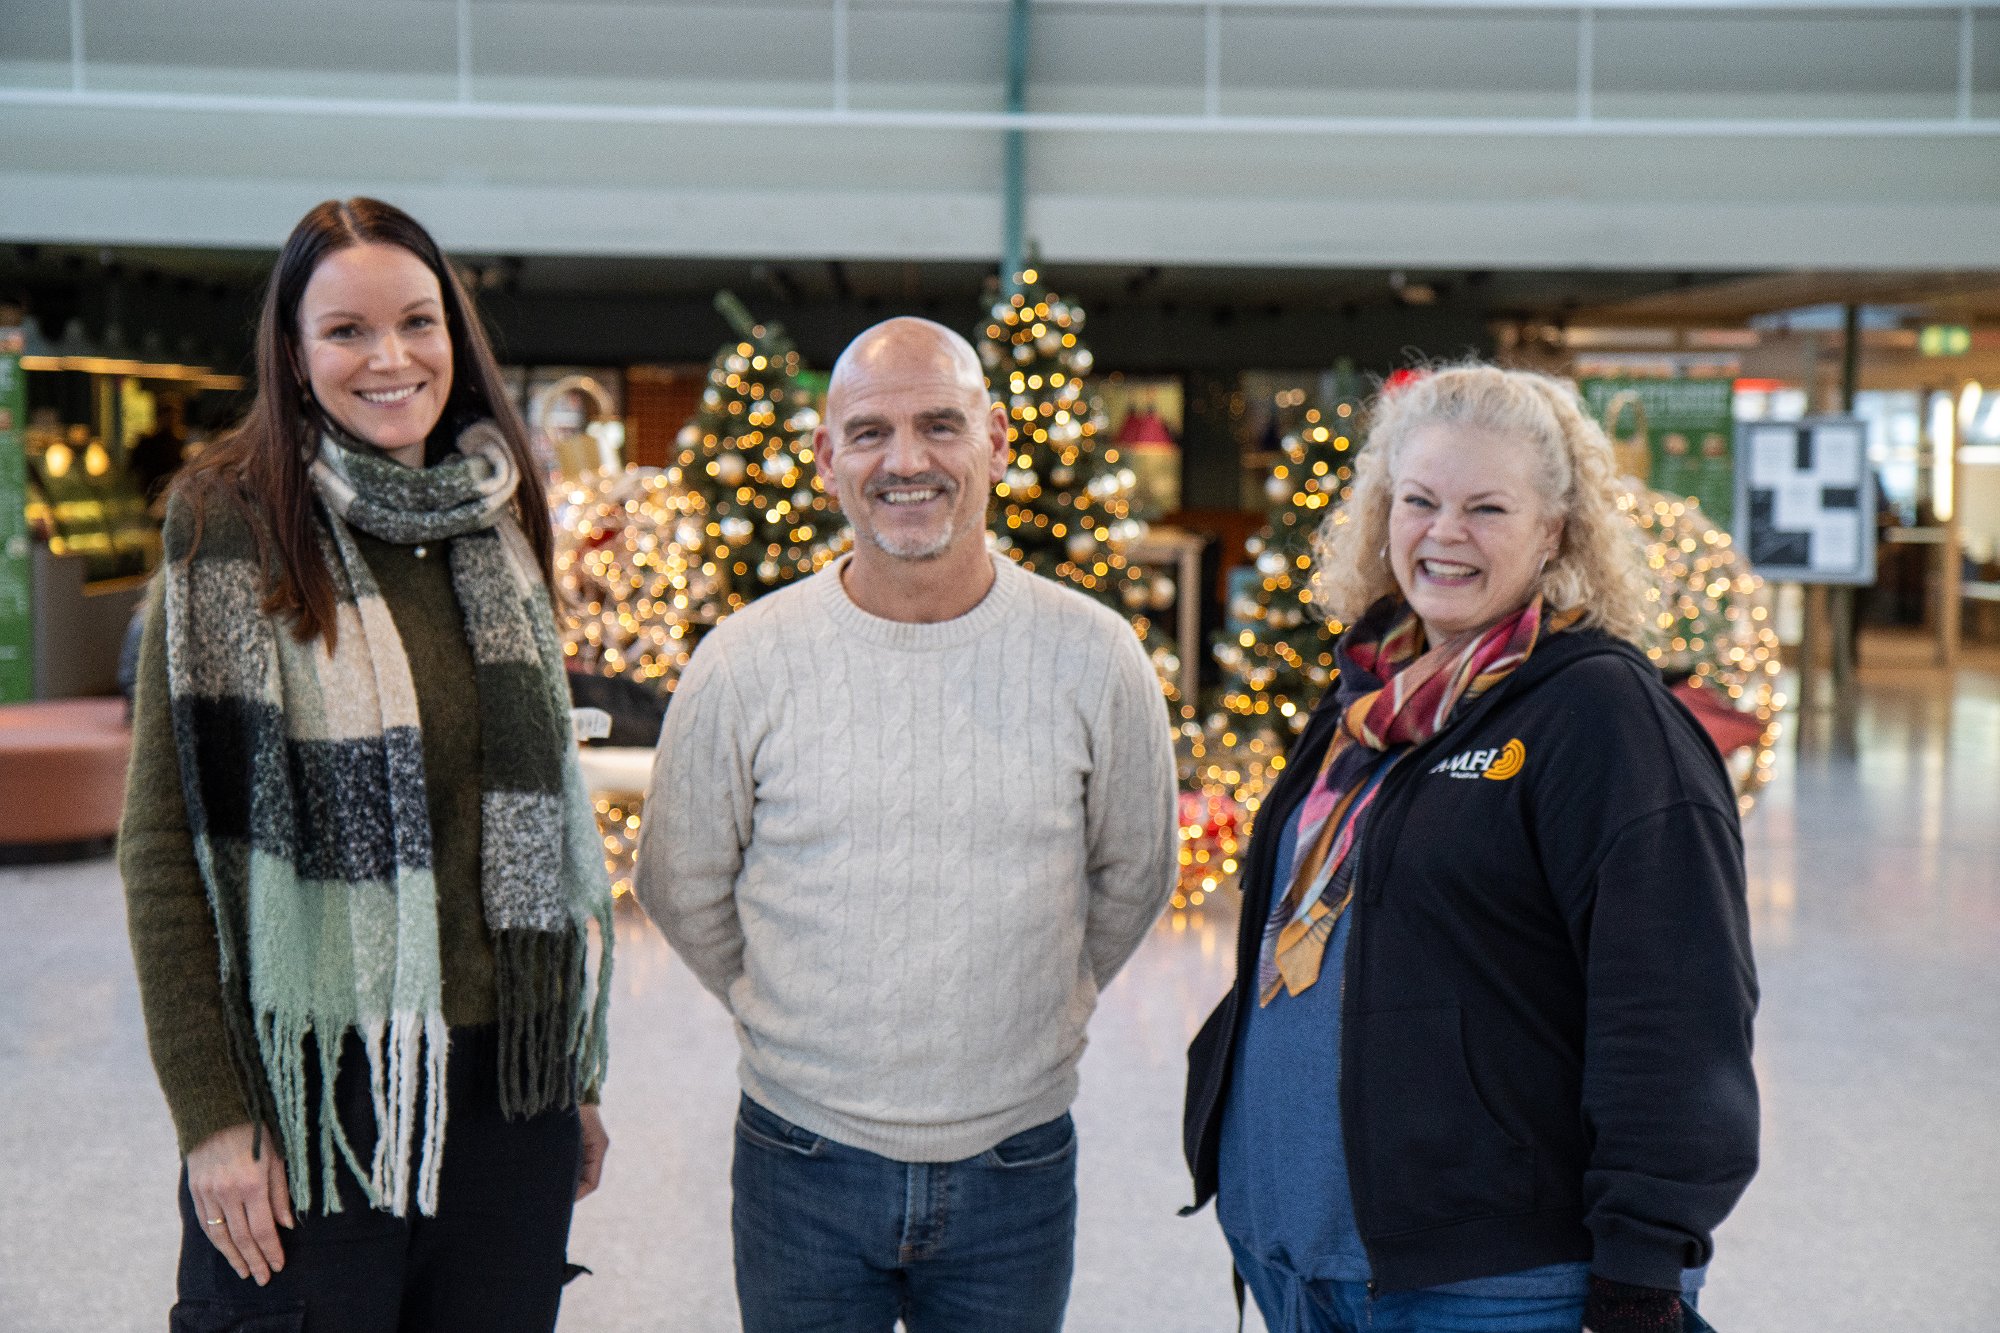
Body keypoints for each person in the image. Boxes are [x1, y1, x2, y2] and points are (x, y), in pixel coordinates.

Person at [119, 197, 614, 1332]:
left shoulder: (494, 519)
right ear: (293, 356)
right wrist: (211, 1115)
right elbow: (167, 848)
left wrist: (565, 1076)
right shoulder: (232, 522)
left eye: (417, 322)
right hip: (319, 1091)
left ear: (456, 337)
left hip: (506, 1094)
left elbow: (536, 819)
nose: (390, 358)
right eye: (345, 330)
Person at [1181, 363, 1758, 1333]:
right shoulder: (1365, 701)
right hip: (1298, 1259)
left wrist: (1641, 1270)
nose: (1442, 534)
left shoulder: (1600, 715)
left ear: (1555, 530)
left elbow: (1674, 1004)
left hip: (1485, 1285)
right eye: (1418, 501)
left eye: (1485, 507)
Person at [635, 316, 1179, 1333]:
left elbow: (1134, 871)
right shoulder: (745, 660)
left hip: (1014, 1161)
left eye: (940, 425)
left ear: (997, 441)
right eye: (872, 432)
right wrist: (781, 1010)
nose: (907, 461)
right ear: (826, 456)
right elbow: (680, 878)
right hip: (799, 1155)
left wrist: (1039, 1010)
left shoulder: (1094, 656)